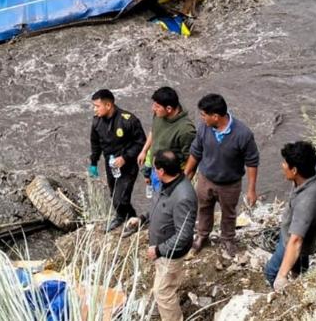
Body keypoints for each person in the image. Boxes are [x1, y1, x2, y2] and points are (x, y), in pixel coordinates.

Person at [184, 94, 260, 257]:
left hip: (230, 183)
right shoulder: (204, 128)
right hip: (206, 179)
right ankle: (202, 236)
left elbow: (252, 162)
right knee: (203, 209)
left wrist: (251, 189)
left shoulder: (243, 134)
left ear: (216, 116)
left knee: (229, 212)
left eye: (204, 115)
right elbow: (195, 152)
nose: (202, 118)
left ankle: (227, 239)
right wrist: (186, 176)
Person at [264, 141, 316, 293]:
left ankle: (279, 295)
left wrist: (281, 276)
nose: (282, 166)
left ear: (294, 170)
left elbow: (295, 241)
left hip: (293, 238)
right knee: (300, 266)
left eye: (285, 164)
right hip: (302, 229)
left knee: (271, 271)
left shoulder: (307, 201)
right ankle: (299, 276)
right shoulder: (315, 168)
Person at [147, 150, 197, 321]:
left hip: (170, 254)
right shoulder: (167, 183)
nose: (153, 171)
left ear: (161, 171)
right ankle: (157, 311)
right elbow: (159, 206)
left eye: (154, 168)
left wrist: (159, 250)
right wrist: (141, 219)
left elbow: (184, 235)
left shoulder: (183, 197)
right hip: (161, 249)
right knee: (161, 284)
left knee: (163, 292)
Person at [89, 89, 147, 232]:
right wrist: (93, 163)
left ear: (108, 105)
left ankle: (132, 219)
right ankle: (124, 217)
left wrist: (125, 158)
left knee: (120, 198)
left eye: (97, 106)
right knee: (114, 195)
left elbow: (141, 142)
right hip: (111, 164)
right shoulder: (97, 122)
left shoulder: (128, 120)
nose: (94, 109)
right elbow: (95, 144)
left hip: (128, 165)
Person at [138, 87, 196, 192]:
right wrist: (144, 151)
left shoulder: (186, 130)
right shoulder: (159, 114)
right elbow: (154, 130)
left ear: (169, 109)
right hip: (155, 169)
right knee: (157, 202)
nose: (153, 109)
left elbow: (191, 159)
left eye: (157, 106)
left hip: (170, 177)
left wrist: (182, 185)